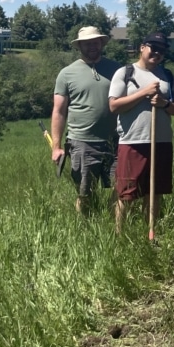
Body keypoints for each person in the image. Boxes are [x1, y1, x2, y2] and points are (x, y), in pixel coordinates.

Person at [109, 32, 174, 232]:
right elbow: (114, 106)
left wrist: (163, 103)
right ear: (142, 47)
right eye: (153, 48)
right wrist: (143, 93)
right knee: (127, 193)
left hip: (161, 141)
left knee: (155, 192)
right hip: (132, 141)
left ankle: (150, 232)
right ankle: (120, 235)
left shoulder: (167, 76)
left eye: (162, 50)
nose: (157, 53)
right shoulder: (125, 72)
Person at [51, 26, 121, 214]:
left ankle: (114, 224)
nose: (92, 46)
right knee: (85, 193)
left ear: (101, 43)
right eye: (87, 43)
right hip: (82, 142)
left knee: (121, 188)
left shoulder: (117, 70)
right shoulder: (67, 73)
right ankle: (85, 229)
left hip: (116, 141)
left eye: (95, 42)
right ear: (79, 46)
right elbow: (58, 111)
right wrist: (56, 147)